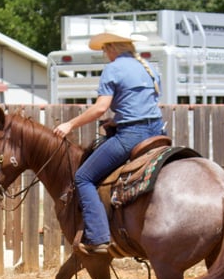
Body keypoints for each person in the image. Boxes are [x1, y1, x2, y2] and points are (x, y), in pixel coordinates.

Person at [53, 23, 164, 254]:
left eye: (105, 49)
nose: (105, 54)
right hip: (157, 132)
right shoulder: (150, 68)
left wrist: (69, 124)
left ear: (112, 47)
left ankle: (98, 237)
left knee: (83, 177)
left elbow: (99, 109)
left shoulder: (113, 69)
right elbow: (145, 104)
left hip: (132, 136)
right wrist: (120, 118)